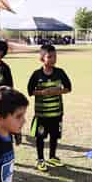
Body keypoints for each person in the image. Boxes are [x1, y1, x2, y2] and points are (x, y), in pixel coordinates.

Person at [27, 44, 72, 172]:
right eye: (50, 57)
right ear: (42, 58)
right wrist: (42, 92)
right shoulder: (36, 74)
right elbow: (30, 91)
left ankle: (52, 157)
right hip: (42, 114)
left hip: (56, 113)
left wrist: (57, 91)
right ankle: (40, 159)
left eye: (55, 56)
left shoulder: (60, 72)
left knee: (54, 135)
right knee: (40, 137)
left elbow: (68, 88)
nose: (53, 59)